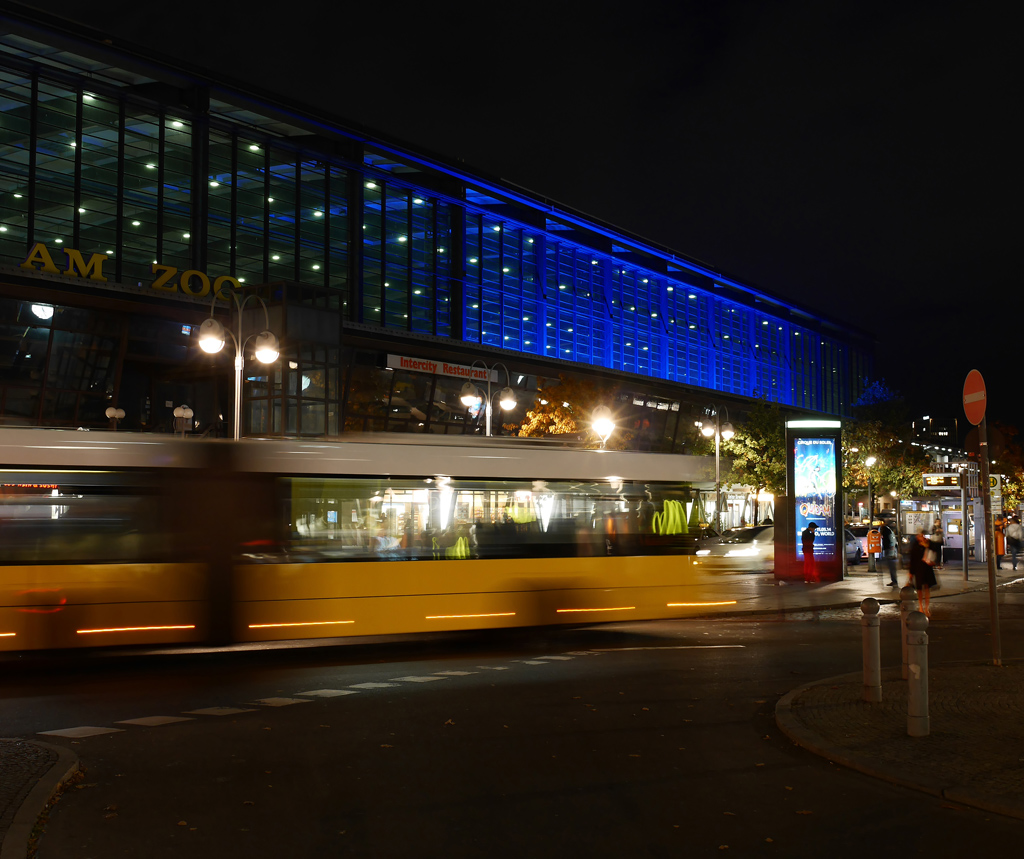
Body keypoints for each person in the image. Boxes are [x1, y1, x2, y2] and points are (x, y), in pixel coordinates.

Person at [907, 529, 937, 617]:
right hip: (918, 569)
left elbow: (935, 551)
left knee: (927, 588)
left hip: (927, 568)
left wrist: (927, 545)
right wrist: (911, 572)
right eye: (920, 536)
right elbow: (912, 559)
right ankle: (921, 606)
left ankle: (926, 607)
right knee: (919, 589)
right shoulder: (915, 546)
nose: (922, 537)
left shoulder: (928, 544)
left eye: (922, 535)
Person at [879, 518, 898, 587]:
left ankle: (894, 581)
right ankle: (894, 580)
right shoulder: (887, 530)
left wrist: (892, 551)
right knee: (891, 567)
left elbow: (891, 540)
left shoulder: (886, 530)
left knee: (891, 567)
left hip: (889, 550)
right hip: (888, 550)